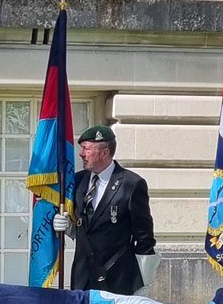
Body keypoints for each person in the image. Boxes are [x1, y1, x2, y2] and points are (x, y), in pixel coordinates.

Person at [53, 125, 159, 295]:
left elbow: (144, 236)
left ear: (105, 152)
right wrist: (65, 226)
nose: (81, 154)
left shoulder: (131, 184)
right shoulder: (77, 181)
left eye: (86, 148)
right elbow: (83, 227)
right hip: (82, 277)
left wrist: (142, 282)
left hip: (118, 278)